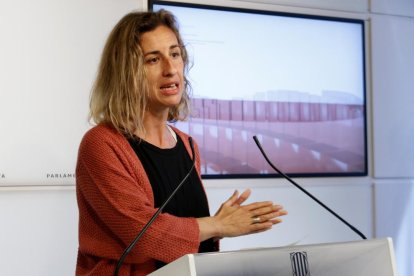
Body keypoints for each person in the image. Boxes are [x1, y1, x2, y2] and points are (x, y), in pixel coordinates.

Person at [75, 9, 288, 276]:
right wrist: (217, 225)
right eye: (153, 60)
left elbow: (187, 242)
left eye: (175, 54)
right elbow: (140, 235)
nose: (170, 69)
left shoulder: (187, 146)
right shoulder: (102, 144)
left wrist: (218, 223)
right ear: (125, 73)